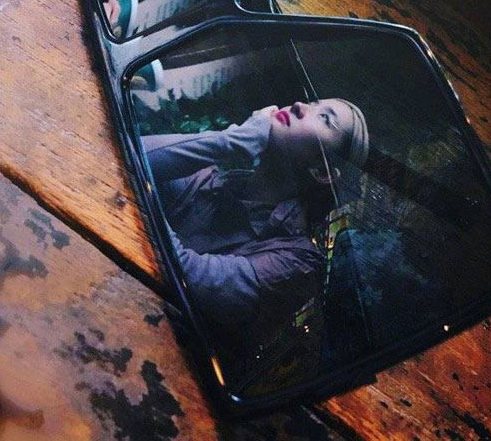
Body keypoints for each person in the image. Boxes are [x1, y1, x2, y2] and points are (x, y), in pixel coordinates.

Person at [143, 99, 369, 341]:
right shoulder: (215, 182)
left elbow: (180, 275)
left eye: (325, 118)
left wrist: (146, 195)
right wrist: (234, 141)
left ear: (323, 173)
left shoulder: (296, 262)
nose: (298, 105)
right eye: (312, 103)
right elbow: (130, 155)